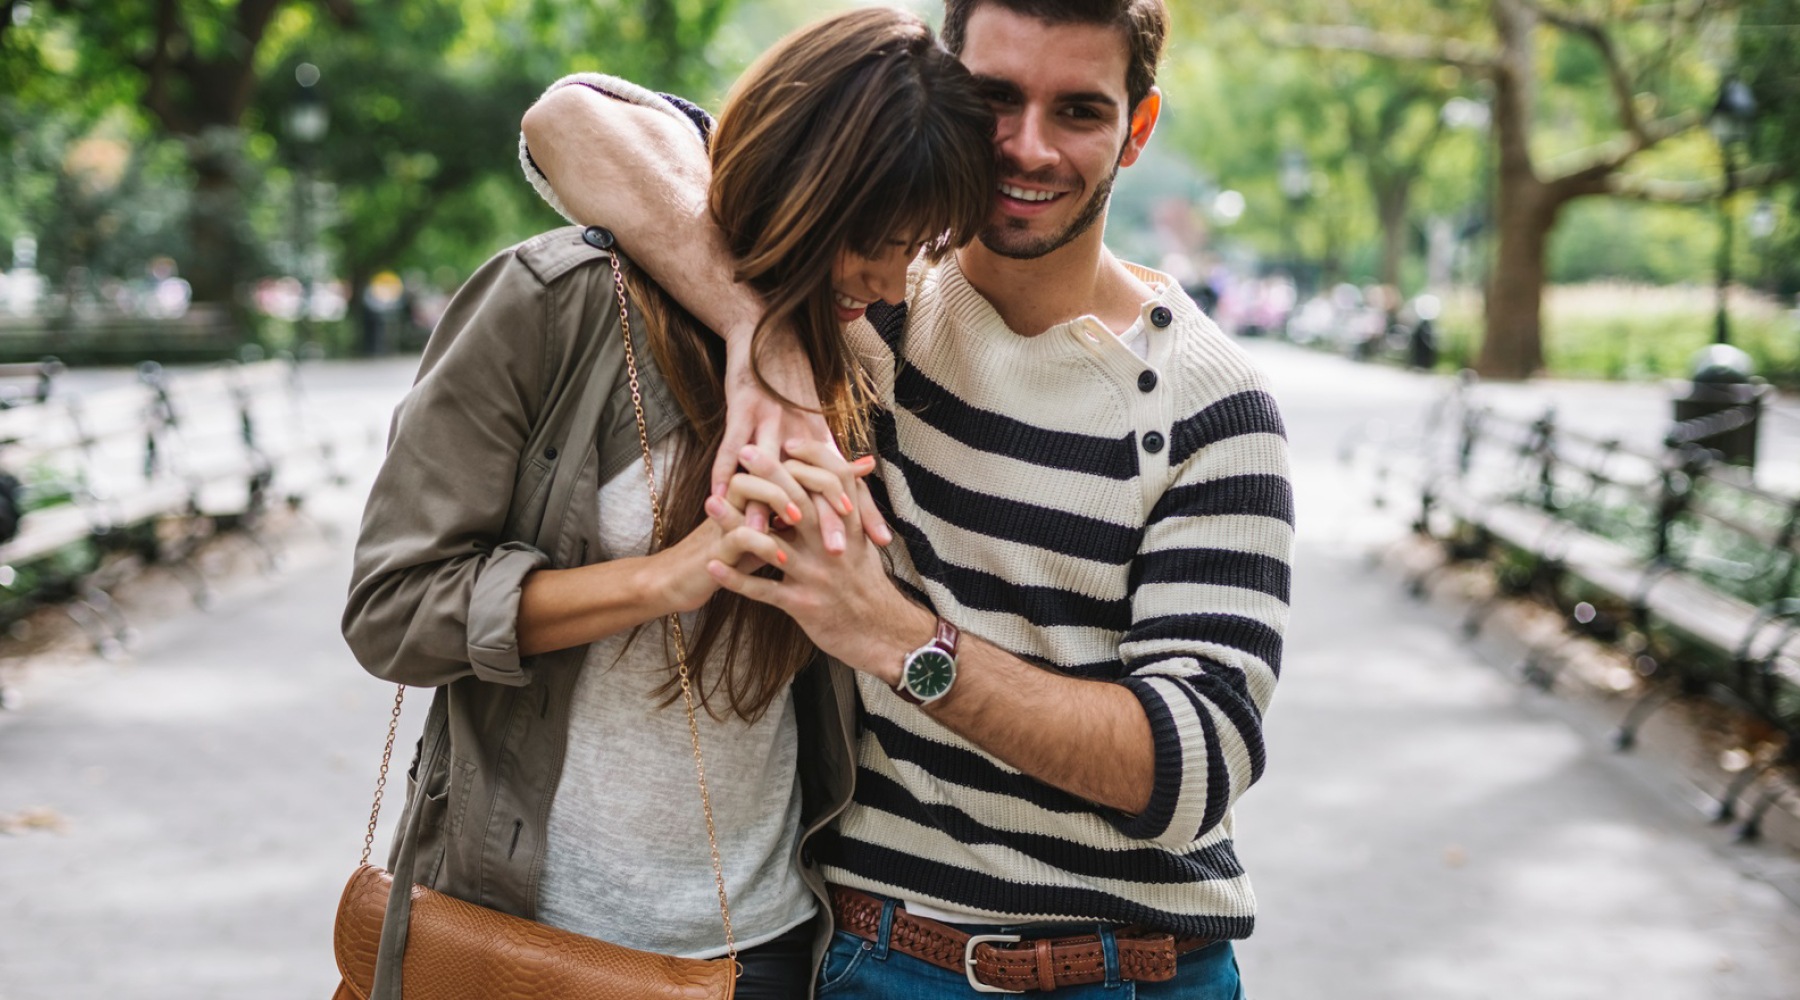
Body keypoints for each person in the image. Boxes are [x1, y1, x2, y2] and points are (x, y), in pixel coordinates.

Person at [520, 1, 1294, 996]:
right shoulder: (865, 299)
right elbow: (570, 121)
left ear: (1136, 130)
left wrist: (896, 637)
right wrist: (760, 332)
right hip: (881, 958)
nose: (1027, 147)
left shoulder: (1213, 404)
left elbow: (1194, 766)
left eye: (1080, 112)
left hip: (1139, 970)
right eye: (994, 99)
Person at [340, 10, 996, 1000]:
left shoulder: (863, 352)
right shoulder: (553, 307)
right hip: (518, 936)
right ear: (801, 185)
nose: (894, 279)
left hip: (764, 946)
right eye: (874, 239)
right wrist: (670, 576)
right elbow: (393, 612)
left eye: (923, 246)